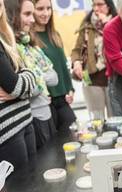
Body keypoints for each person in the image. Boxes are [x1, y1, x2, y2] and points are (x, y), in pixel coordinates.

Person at [5, 0, 58, 149]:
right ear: (12, 15)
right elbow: (29, 89)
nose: (33, 19)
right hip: (31, 118)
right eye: (27, 14)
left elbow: (54, 78)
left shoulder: (29, 44)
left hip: (46, 112)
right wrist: (32, 84)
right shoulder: (11, 49)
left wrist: (33, 80)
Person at [0, 0, 36, 168]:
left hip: (24, 120)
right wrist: (24, 82)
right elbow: (16, 87)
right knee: (19, 191)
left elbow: (31, 77)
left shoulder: (5, 38)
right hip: (8, 132)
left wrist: (25, 79)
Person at [32, 0, 76, 132]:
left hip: (62, 99)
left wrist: (70, 89)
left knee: (72, 136)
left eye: (48, 8)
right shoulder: (29, 39)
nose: (45, 13)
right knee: (52, 148)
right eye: (40, 9)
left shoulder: (55, 36)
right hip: (44, 101)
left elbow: (62, 65)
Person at [71, 0, 117, 120]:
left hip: (114, 79)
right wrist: (76, 62)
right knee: (97, 120)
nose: (96, 9)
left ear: (109, 5)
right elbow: (76, 49)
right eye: (94, 5)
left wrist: (108, 25)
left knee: (116, 118)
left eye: (100, 4)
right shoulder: (87, 24)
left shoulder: (118, 22)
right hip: (91, 78)